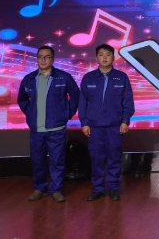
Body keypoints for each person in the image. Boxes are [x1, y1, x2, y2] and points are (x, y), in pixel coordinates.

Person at [17, 45, 80, 203]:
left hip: (56, 128)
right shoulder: (29, 79)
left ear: (53, 59)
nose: (43, 60)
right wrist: (31, 113)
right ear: (37, 59)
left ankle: (56, 190)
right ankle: (40, 188)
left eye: (47, 57)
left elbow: (75, 96)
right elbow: (22, 99)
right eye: (40, 57)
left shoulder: (63, 77)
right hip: (36, 129)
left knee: (57, 160)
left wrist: (67, 113)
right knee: (37, 160)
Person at [78, 44, 135, 202]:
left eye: (108, 54)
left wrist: (125, 121)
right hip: (94, 127)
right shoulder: (88, 78)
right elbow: (82, 103)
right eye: (101, 54)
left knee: (114, 157)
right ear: (96, 58)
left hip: (114, 126)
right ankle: (98, 189)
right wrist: (84, 122)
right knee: (96, 158)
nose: (104, 57)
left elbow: (128, 102)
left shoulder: (121, 77)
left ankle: (114, 188)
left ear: (113, 57)